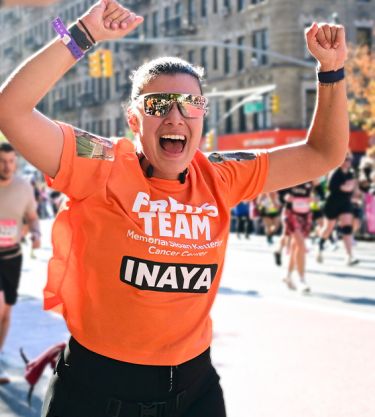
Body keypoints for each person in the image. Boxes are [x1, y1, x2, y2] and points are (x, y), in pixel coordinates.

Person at [0, 1, 349, 415]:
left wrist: (332, 71)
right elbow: (11, 110)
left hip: (194, 391)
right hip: (94, 392)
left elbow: (324, 153)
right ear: (134, 119)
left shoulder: (220, 175)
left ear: (203, 114)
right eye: (157, 105)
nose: (175, 116)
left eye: (191, 104)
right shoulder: (101, 163)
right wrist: (82, 34)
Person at [0, 143, 41, 384]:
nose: (7, 166)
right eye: (3, 161)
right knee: (1, 306)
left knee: (6, 313)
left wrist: (36, 234)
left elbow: (33, 218)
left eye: (11, 161)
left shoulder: (24, 187)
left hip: (13, 256)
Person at [317, 154, 359, 265]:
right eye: (345, 160)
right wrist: (347, 186)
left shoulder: (351, 173)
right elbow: (336, 187)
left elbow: (351, 187)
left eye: (349, 160)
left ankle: (349, 256)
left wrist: (348, 187)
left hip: (345, 203)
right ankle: (320, 247)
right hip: (332, 203)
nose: (348, 162)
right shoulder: (335, 173)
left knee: (347, 228)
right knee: (328, 228)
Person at [280, 182, 313, 293]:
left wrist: (315, 198)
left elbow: (321, 193)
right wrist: (284, 197)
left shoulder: (312, 177)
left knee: (295, 247)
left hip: (305, 214)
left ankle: (287, 275)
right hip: (290, 213)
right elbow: (278, 191)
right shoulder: (291, 174)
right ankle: (301, 280)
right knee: (301, 245)